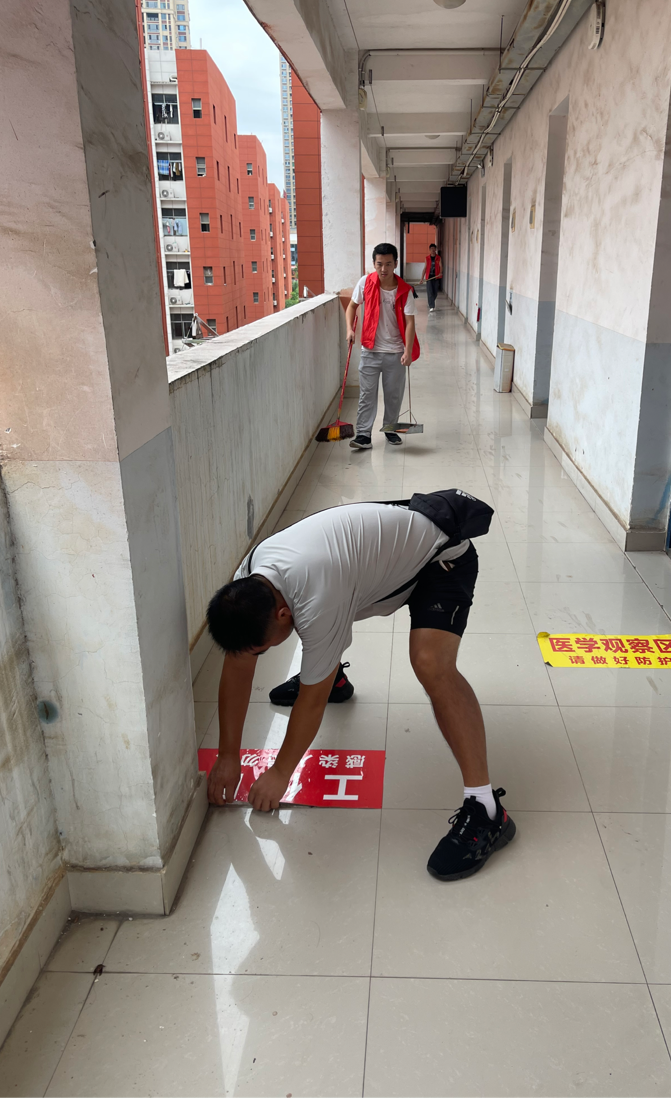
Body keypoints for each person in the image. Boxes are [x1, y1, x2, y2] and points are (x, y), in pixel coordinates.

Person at [205, 495, 516, 881]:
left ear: (283, 613)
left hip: (441, 559)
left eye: (263, 648)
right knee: (322, 629)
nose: (258, 655)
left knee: (431, 664)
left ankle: (487, 810)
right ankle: (332, 674)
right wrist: (228, 755)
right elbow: (238, 666)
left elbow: (311, 702)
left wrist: (281, 772)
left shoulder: (317, 596)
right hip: (367, 563)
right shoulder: (249, 583)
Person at [345, 243, 418, 451]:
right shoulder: (365, 283)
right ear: (373, 263)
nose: (383, 269)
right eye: (379, 264)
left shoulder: (405, 290)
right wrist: (349, 330)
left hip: (395, 351)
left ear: (396, 263)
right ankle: (363, 435)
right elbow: (351, 307)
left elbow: (410, 323)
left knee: (393, 395)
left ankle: (390, 429)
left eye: (388, 264)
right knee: (366, 395)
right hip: (370, 350)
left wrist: (407, 351)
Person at [419, 243, 442, 312]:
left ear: (435, 249)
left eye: (434, 249)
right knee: (430, 292)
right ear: (429, 250)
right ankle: (431, 306)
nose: (433, 250)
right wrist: (422, 279)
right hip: (429, 278)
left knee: (435, 293)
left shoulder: (438, 258)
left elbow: (441, 266)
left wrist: (440, 272)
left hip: (436, 277)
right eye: (431, 249)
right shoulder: (427, 258)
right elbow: (425, 268)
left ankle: (431, 302)